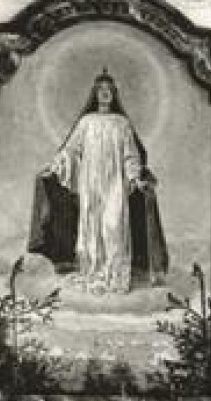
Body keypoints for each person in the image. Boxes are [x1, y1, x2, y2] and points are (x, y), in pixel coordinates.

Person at [28, 69, 167, 295]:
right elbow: (71, 150)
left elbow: (130, 155)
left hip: (115, 182)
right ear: (95, 94)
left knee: (113, 226)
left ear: (114, 94)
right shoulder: (86, 122)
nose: (105, 94)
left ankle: (115, 276)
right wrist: (54, 168)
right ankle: (92, 273)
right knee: (91, 226)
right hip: (90, 181)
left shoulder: (122, 124)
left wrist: (135, 177)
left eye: (109, 90)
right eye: (101, 90)